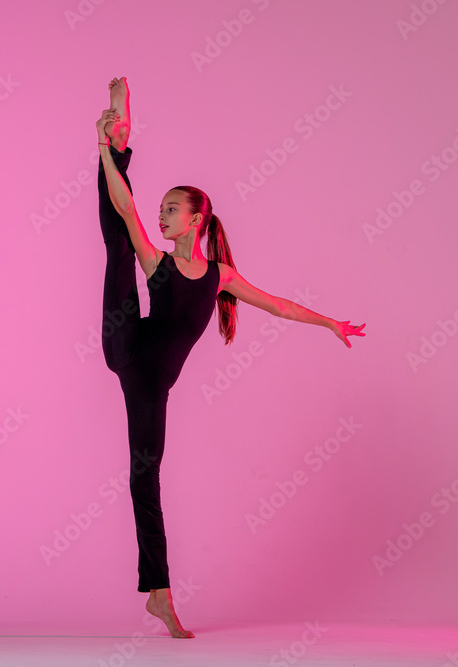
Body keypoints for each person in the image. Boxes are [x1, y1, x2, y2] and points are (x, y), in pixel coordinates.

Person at [96, 76, 365, 638]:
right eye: (163, 209)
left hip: (150, 385)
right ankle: (120, 138)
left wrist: (329, 323)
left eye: (172, 210)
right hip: (126, 342)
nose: (164, 215)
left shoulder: (219, 276)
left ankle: (160, 596)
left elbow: (279, 306)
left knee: (145, 481)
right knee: (120, 240)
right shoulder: (160, 266)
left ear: (196, 219)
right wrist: (105, 152)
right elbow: (126, 208)